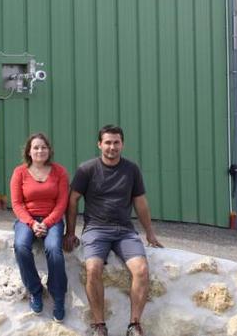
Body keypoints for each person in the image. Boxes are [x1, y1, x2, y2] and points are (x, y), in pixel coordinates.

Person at [63, 125, 163, 336]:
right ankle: (100, 325)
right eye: (107, 142)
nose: (112, 147)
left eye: (116, 142)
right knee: (93, 268)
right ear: (100, 144)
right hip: (96, 230)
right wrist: (70, 232)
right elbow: (72, 200)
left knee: (142, 270)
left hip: (125, 231)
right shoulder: (87, 169)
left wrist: (150, 233)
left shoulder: (131, 169)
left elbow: (141, 202)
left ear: (122, 144)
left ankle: (134, 325)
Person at [10, 132, 69, 322]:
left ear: (49, 150)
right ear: (29, 151)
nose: (40, 150)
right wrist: (32, 223)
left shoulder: (59, 172)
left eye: (43, 147)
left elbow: (62, 204)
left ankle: (58, 296)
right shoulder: (19, 172)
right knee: (20, 246)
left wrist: (47, 223)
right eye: (35, 147)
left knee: (53, 249)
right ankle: (35, 290)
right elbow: (17, 204)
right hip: (27, 219)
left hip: (52, 219)